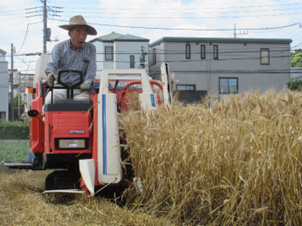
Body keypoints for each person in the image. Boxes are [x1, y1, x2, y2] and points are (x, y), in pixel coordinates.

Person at [44, 15, 97, 104]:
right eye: (78, 32)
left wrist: (88, 82)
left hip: (79, 89)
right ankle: (46, 117)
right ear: (70, 33)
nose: (82, 37)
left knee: (84, 102)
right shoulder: (59, 48)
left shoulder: (91, 49)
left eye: (84, 33)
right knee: (50, 100)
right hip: (60, 88)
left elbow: (91, 69)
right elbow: (51, 65)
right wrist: (50, 74)